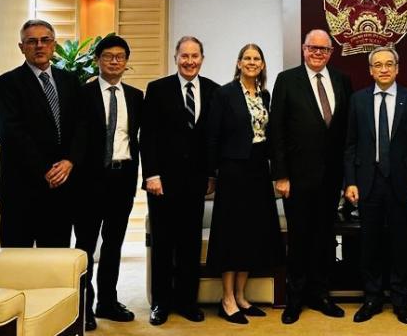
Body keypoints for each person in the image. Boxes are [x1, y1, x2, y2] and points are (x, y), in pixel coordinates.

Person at [272, 30, 352, 324]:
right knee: (300, 237)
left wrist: (348, 178)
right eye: (312, 48)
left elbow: (346, 133)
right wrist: (280, 175)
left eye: (324, 49)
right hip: (296, 178)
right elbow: (276, 131)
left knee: (324, 237)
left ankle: (320, 294)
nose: (318, 53)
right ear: (303, 49)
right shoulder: (287, 80)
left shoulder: (342, 80)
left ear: (331, 52)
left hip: (331, 178)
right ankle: (295, 298)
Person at [343, 46, 407, 325]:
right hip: (368, 182)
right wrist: (350, 182)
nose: (383, 69)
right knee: (370, 243)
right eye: (377, 65)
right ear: (370, 70)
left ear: (397, 68)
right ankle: (372, 297)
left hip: (402, 184)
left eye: (388, 64)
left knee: (402, 243)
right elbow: (350, 146)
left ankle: (401, 299)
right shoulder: (358, 100)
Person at [140, 36, 218, 325]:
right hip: (162, 182)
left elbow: (212, 139)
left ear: (202, 58)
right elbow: (147, 136)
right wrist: (151, 174)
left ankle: (187, 301)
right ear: (176, 58)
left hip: (196, 182)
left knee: (189, 243)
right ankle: (160, 303)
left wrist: (211, 174)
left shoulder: (212, 90)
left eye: (195, 56)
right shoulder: (158, 89)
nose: (189, 61)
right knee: (163, 243)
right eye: (184, 56)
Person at [206, 43, 284, 324]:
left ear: (262, 65)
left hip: (257, 172)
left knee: (252, 234)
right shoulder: (224, 93)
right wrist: (212, 174)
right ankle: (226, 299)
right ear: (239, 63)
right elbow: (213, 136)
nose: (252, 62)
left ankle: (240, 295)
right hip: (232, 171)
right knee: (232, 235)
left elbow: (269, 135)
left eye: (257, 59)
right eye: (247, 58)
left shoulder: (265, 94)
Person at [74, 35, 143, 330]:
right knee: (86, 246)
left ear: (126, 63)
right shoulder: (82, 94)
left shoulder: (136, 96)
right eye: (108, 56)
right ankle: (83, 307)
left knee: (114, 244)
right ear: (98, 60)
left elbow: (141, 139)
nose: (114, 61)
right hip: (89, 181)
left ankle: (107, 302)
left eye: (120, 57)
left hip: (122, 177)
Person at [0, 19, 84, 248]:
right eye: (32, 41)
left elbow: (81, 126)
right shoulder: (6, 84)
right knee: (18, 259)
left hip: (61, 187)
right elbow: (9, 132)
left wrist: (70, 160)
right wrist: (45, 168)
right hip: (21, 188)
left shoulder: (71, 82)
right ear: (21, 47)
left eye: (45, 40)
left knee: (55, 258)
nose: (39, 46)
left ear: (54, 45)